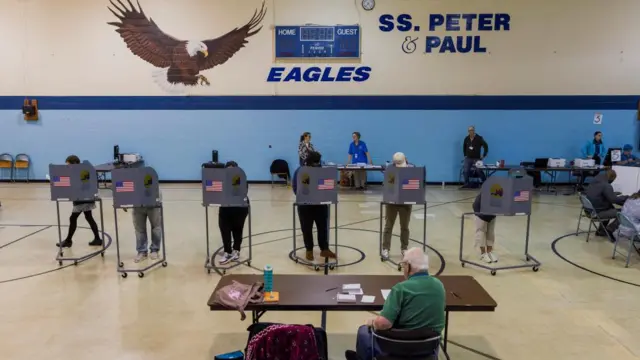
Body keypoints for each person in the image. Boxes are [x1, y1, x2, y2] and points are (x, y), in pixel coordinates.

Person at [345, 247, 445, 360]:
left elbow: (384, 323)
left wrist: (373, 322)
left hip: (400, 345)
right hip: (428, 347)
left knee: (363, 331)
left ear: (408, 266)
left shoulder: (401, 289)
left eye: (403, 265)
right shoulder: (439, 286)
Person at [292, 151, 337, 261]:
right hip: (305, 205)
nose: (318, 164)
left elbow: (328, 186)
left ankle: (324, 248)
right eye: (316, 162)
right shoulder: (301, 171)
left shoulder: (322, 171)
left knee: (323, 227)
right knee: (306, 228)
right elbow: (296, 187)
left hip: (320, 204)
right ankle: (309, 250)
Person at [56, 155, 102, 248]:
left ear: (74, 163)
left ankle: (68, 241)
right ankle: (97, 239)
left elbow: (83, 185)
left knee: (73, 218)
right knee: (89, 217)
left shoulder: (81, 171)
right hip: (85, 198)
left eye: (69, 165)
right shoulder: (82, 169)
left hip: (82, 199)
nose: (68, 167)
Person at [217, 161, 249, 265]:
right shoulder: (223, 180)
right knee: (224, 229)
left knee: (237, 229)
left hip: (239, 208)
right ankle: (227, 251)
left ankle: (236, 250)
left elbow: (239, 192)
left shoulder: (239, 178)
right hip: (226, 207)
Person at [382, 152, 412, 259]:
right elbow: (386, 186)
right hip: (392, 203)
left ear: (406, 160)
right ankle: (385, 248)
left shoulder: (412, 169)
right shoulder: (390, 169)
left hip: (406, 203)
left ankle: (404, 248)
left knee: (405, 227)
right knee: (388, 226)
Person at [585, 169, 627, 238]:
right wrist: (625, 197)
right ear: (612, 178)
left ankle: (601, 230)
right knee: (624, 213)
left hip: (589, 211)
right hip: (597, 213)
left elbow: (600, 194)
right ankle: (610, 229)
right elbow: (613, 199)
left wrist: (612, 194)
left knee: (610, 207)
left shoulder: (595, 181)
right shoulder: (606, 185)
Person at [133, 197, 163, 263]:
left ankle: (154, 250)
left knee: (156, 227)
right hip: (137, 203)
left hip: (154, 202)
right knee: (139, 229)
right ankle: (142, 251)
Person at [473, 192, 498, 263]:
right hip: (481, 212)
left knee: (491, 232)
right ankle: (483, 253)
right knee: (481, 231)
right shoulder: (486, 192)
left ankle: (489, 252)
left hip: (492, 212)